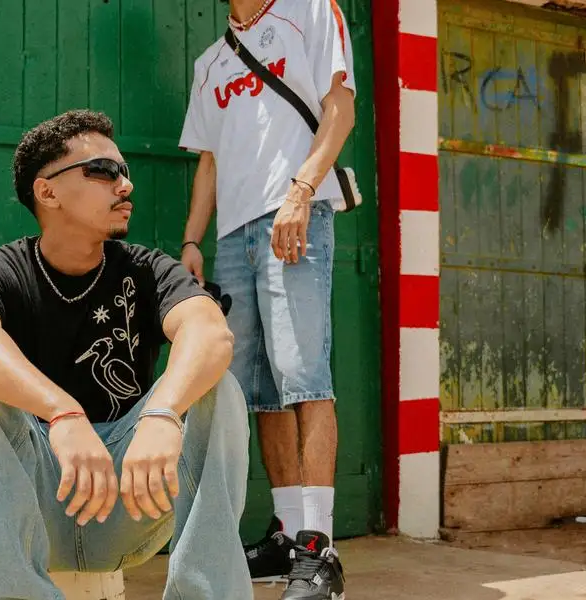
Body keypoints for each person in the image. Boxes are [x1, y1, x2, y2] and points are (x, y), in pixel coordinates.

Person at [0, 109, 253, 600]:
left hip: (133, 498)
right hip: (38, 500)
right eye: (104, 172)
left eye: (125, 172)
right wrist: (62, 413)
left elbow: (210, 333)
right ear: (48, 192)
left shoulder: (147, 271)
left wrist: (163, 414)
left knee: (218, 388)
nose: (124, 185)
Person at [178, 0, 356, 599]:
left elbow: (341, 107)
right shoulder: (211, 62)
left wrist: (302, 190)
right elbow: (208, 161)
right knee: (263, 390)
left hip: (293, 217)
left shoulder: (311, 10)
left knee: (304, 377)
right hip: (232, 237)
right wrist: (191, 240)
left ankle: (319, 548)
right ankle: (287, 536)